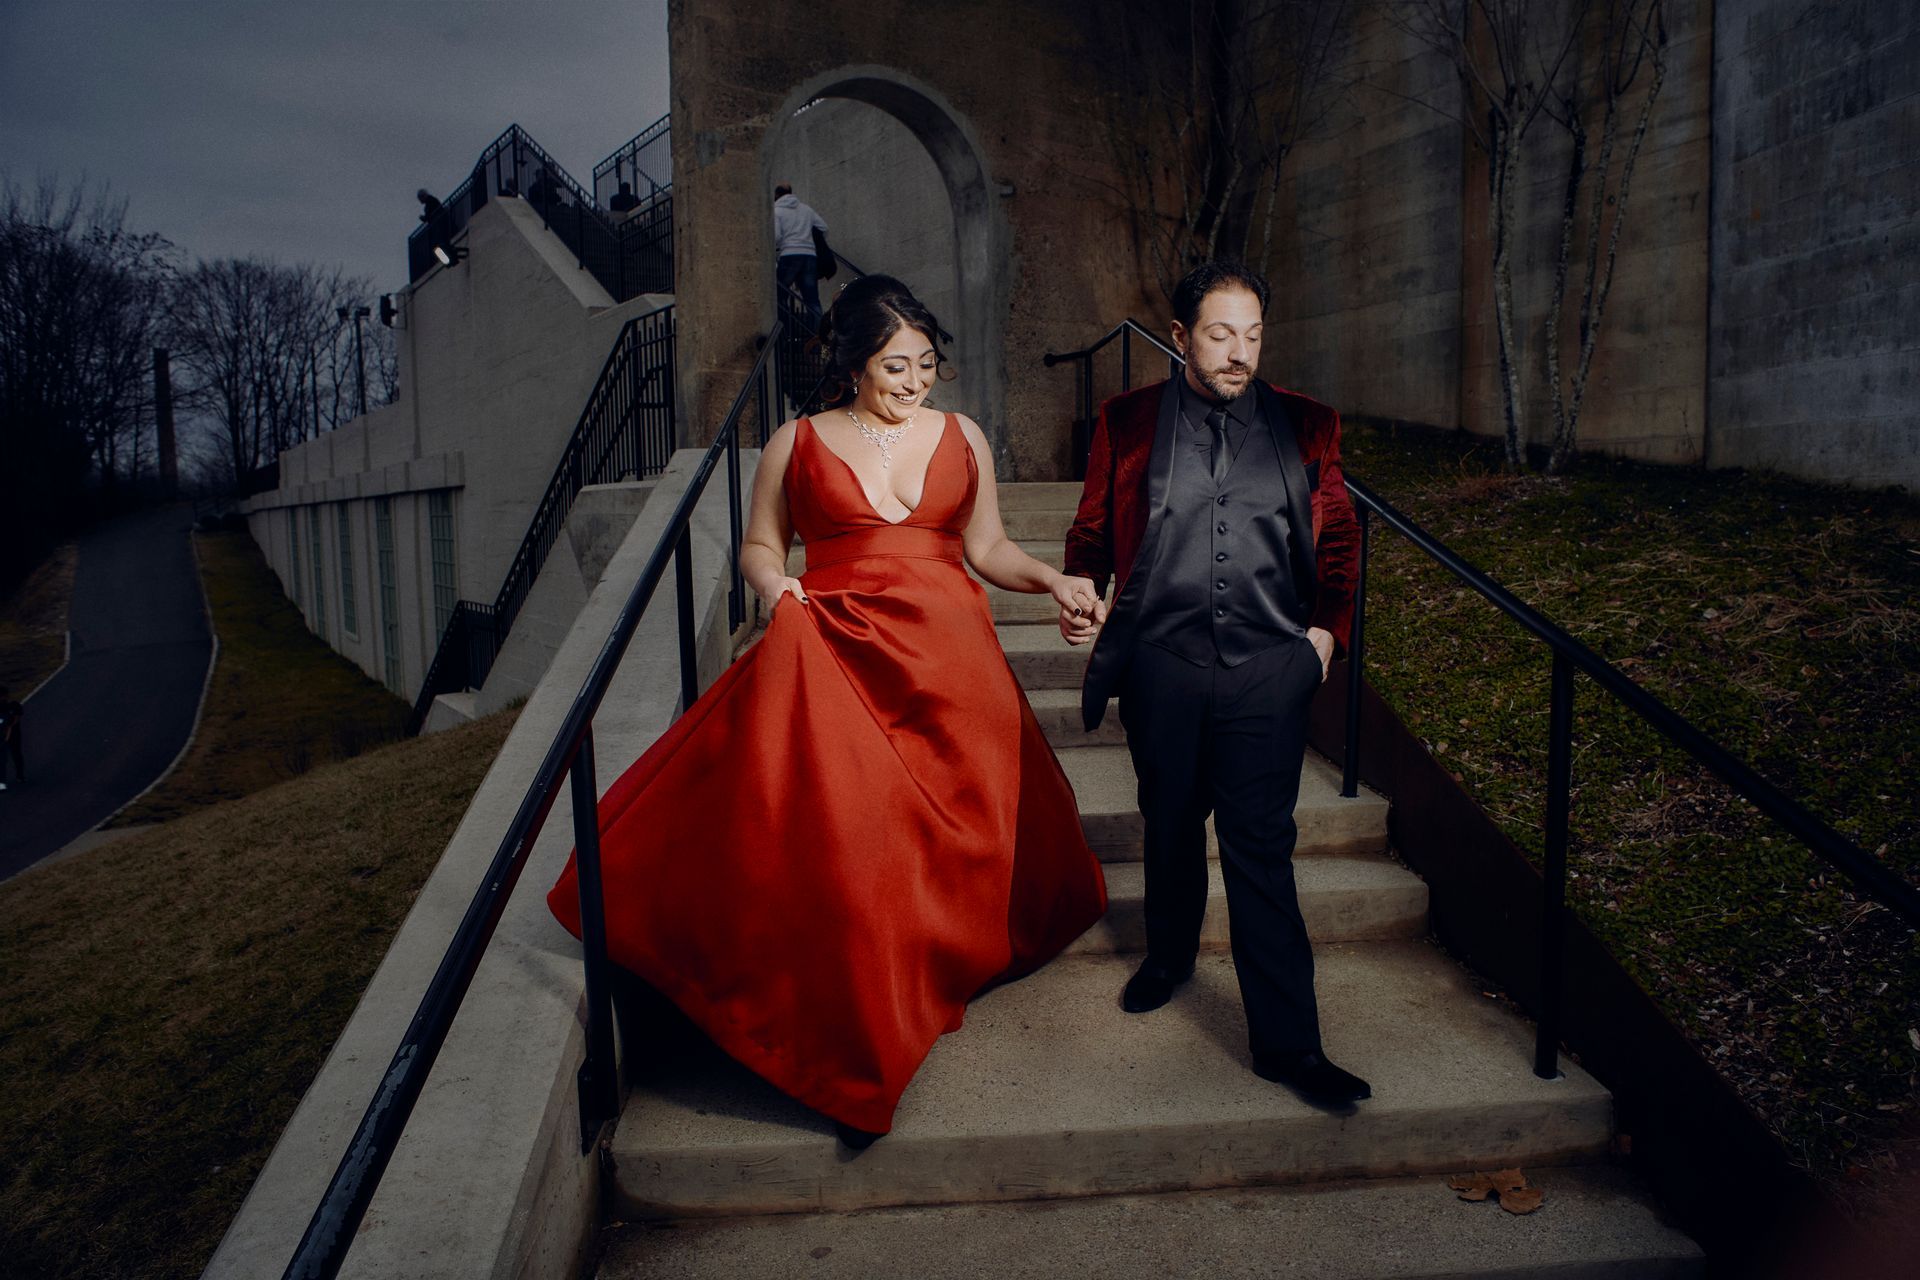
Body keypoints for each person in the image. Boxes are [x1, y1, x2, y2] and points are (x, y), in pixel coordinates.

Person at [546, 274, 1108, 1148]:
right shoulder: (795, 442)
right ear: (851, 365)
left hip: (952, 664)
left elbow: (988, 546)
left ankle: (938, 966)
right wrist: (777, 589)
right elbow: (760, 545)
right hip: (839, 644)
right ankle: (868, 1018)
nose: (915, 380)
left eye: (926, 362)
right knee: (863, 843)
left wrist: (1053, 580)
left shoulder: (963, 435)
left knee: (960, 833)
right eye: (894, 365)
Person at [1060, 259, 1369, 1109]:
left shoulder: (1308, 424)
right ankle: (1169, 957)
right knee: (1168, 823)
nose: (1239, 353)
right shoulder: (1126, 421)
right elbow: (1092, 530)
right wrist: (1081, 589)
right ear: (1180, 337)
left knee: (1260, 849)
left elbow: (1341, 539)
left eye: (1253, 336)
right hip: (1161, 666)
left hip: (1269, 669)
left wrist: (1323, 638)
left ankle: (1291, 1047)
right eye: (1221, 334)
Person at [771, 182, 828, 324]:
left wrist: (778, 247)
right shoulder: (806, 209)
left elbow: (776, 236)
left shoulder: (776, 211)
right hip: (809, 256)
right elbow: (823, 227)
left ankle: (784, 328)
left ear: (776, 195)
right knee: (812, 299)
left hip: (789, 255)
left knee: (779, 296)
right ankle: (819, 333)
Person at [0, 686, 22, 791]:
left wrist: (9, 727)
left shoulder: (14, 705)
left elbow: (16, 719)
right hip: (2, 735)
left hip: (13, 734)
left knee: (16, 754)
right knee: (2, 758)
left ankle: (20, 775)